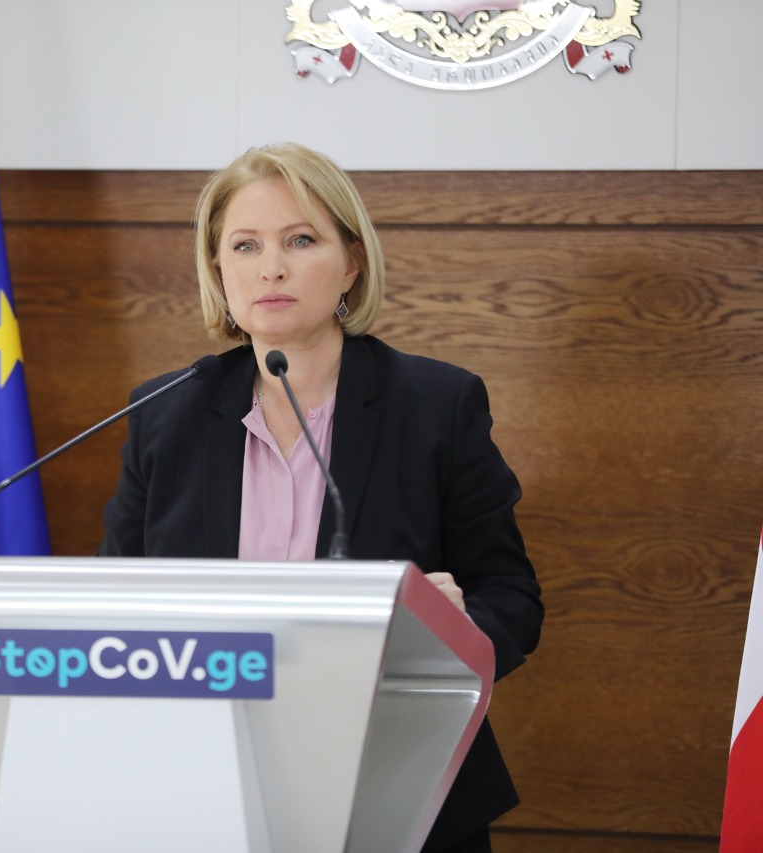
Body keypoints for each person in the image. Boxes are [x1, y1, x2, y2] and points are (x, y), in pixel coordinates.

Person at [98, 142, 543, 852]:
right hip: (204, 783)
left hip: (396, 781)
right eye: (245, 245)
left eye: (300, 240)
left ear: (352, 262)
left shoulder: (435, 404)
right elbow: (112, 604)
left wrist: (451, 631)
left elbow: (511, 598)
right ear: (218, 270)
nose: (270, 267)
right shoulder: (166, 414)